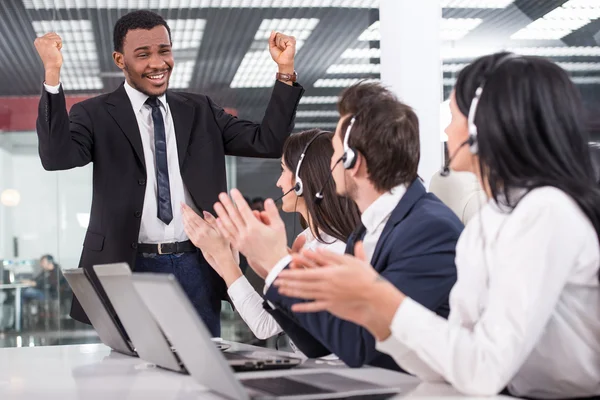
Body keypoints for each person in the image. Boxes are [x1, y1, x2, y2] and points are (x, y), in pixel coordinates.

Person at [274, 53, 600, 398]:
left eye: (454, 115)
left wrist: (379, 296)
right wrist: (372, 310)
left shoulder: (545, 211)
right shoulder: (489, 221)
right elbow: (450, 360)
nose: (446, 129)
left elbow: (484, 368)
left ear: (479, 127)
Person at [33, 10, 303, 336]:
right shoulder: (94, 114)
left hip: (197, 264)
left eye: (164, 50)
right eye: (143, 54)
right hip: (128, 264)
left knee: (202, 365)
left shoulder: (199, 110)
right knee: (132, 372)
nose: (158, 63)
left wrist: (285, 71)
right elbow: (56, 157)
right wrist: (52, 73)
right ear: (120, 59)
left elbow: (268, 142)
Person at [210, 82, 462, 370]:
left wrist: (278, 264)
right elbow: (318, 344)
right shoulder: (366, 230)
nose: (329, 164)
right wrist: (267, 265)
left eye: (334, 152)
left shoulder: (428, 229)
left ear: (353, 161)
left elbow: (360, 346)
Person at [181, 129, 360, 340]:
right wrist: (225, 260)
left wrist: (224, 260)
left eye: (283, 170)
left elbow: (265, 325)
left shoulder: (334, 250)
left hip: (330, 370)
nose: (279, 182)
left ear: (302, 180)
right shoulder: (306, 240)